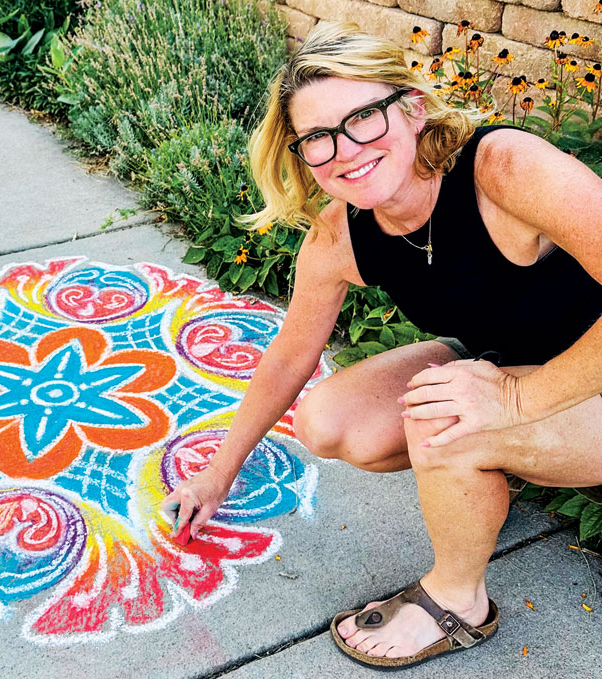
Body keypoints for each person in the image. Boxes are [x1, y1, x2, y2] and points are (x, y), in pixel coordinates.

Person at [161, 20, 602, 669]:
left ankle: (458, 602)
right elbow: (288, 356)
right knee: (332, 421)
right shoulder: (343, 233)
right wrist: (218, 471)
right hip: (517, 371)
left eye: (363, 117)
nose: (344, 149)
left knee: (443, 420)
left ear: (412, 107)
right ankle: (479, 487)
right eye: (317, 137)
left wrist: (515, 397)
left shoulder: (501, 169)